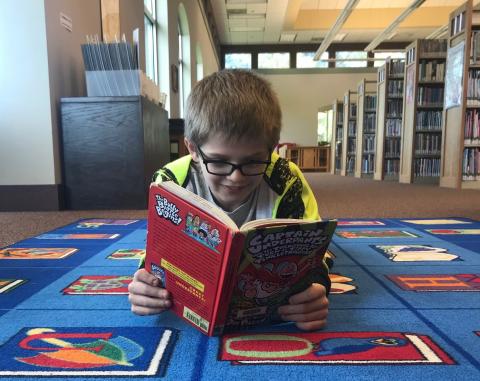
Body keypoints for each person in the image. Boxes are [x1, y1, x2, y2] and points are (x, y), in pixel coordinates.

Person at [128, 69, 331, 331]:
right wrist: (145, 284)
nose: (236, 177)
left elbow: (313, 253)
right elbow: (157, 251)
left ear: (271, 150)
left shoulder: (286, 180)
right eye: (220, 161)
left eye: (253, 161)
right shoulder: (170, 182)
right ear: (193, 150)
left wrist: (317, 289)